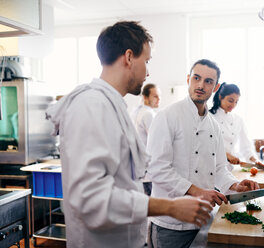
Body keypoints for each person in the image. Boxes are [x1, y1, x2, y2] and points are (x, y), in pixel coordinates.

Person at [45, 21, 212, 248]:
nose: (148, 71)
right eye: (147, 61)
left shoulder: (113, 106)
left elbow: (122, 179)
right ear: (129, 57)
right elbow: (91, 199)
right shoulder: (91, 106)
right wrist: (170, 207)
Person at [146, 59, 260, 248]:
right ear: (189, 79)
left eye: (208, 81)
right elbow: (156, 168)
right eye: (196, 78)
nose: (201, 85)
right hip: (170, 224)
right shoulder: (167, 116)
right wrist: (197, 191)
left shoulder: (213, 126)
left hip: (202, 219)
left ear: (215, 87)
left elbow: (220, 169)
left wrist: (236, 185)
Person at [209, 82, 264, 170]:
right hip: (212, 168)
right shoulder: (209, 117)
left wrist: (255, 161)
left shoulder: (238, 119)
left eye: (236, 102)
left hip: (230, 169)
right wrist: (227, 155)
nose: (233, 105)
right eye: (230, 100)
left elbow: (246, 146)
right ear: (220, 97)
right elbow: (207, 145)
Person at [131, 83, 160, 196]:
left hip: (138, 168)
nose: (159, 99)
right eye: (155, 96)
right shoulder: (148, 114)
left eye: (159, 96)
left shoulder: (136, 111)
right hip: (148, 169)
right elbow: (157, 141)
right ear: (145, 97)